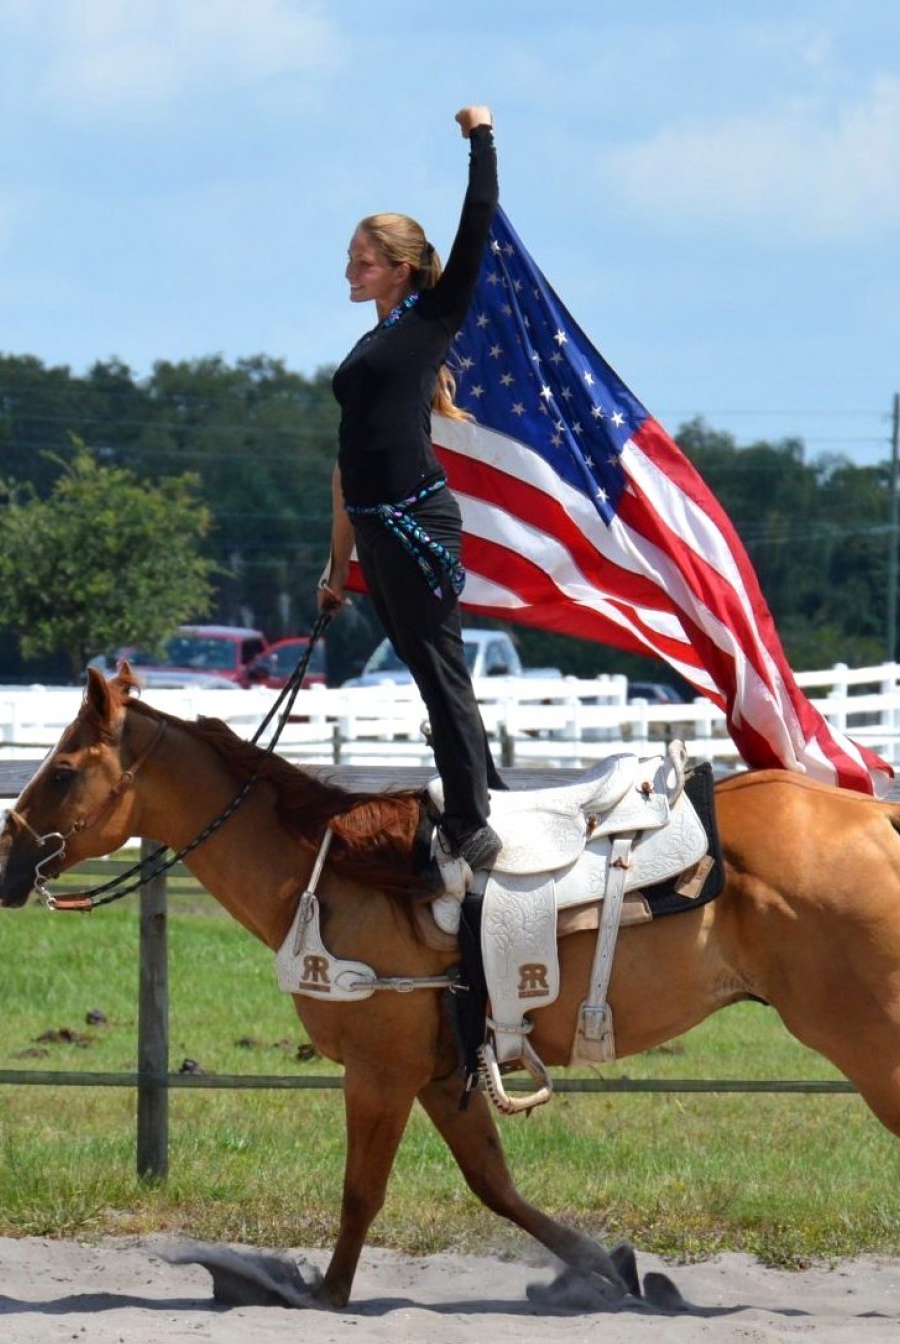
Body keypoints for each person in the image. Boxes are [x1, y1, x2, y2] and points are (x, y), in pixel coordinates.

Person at [319, 104, 505, 873]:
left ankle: (472, 818)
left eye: (364, 262)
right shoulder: (374, 342)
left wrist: (481, 140)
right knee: (420, 666)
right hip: (373, 521)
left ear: (400, 267)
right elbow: (345, 463)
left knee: (437, 666)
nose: (350, 272)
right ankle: (475, 789)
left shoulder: (433, 317)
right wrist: (337, 569)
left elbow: (479, 219)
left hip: (416, 521)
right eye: (350, 260)